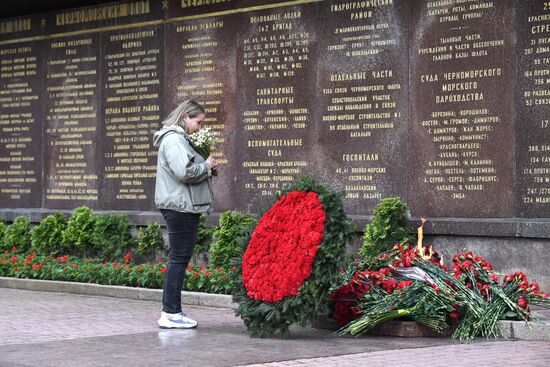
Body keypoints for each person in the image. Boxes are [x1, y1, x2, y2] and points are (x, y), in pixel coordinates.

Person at [153, 100, 218, 329]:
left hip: (182, 205)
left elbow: (186, 168)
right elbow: (184, 171)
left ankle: (172, 312)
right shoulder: (174, 139)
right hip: (180, 206)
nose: (199, 127)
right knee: (178, 259)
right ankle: (170, 313)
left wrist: (205, 166)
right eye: (198, 122)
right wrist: (206, 167)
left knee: (179, 259)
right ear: (185, 117)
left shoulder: (179, 140)